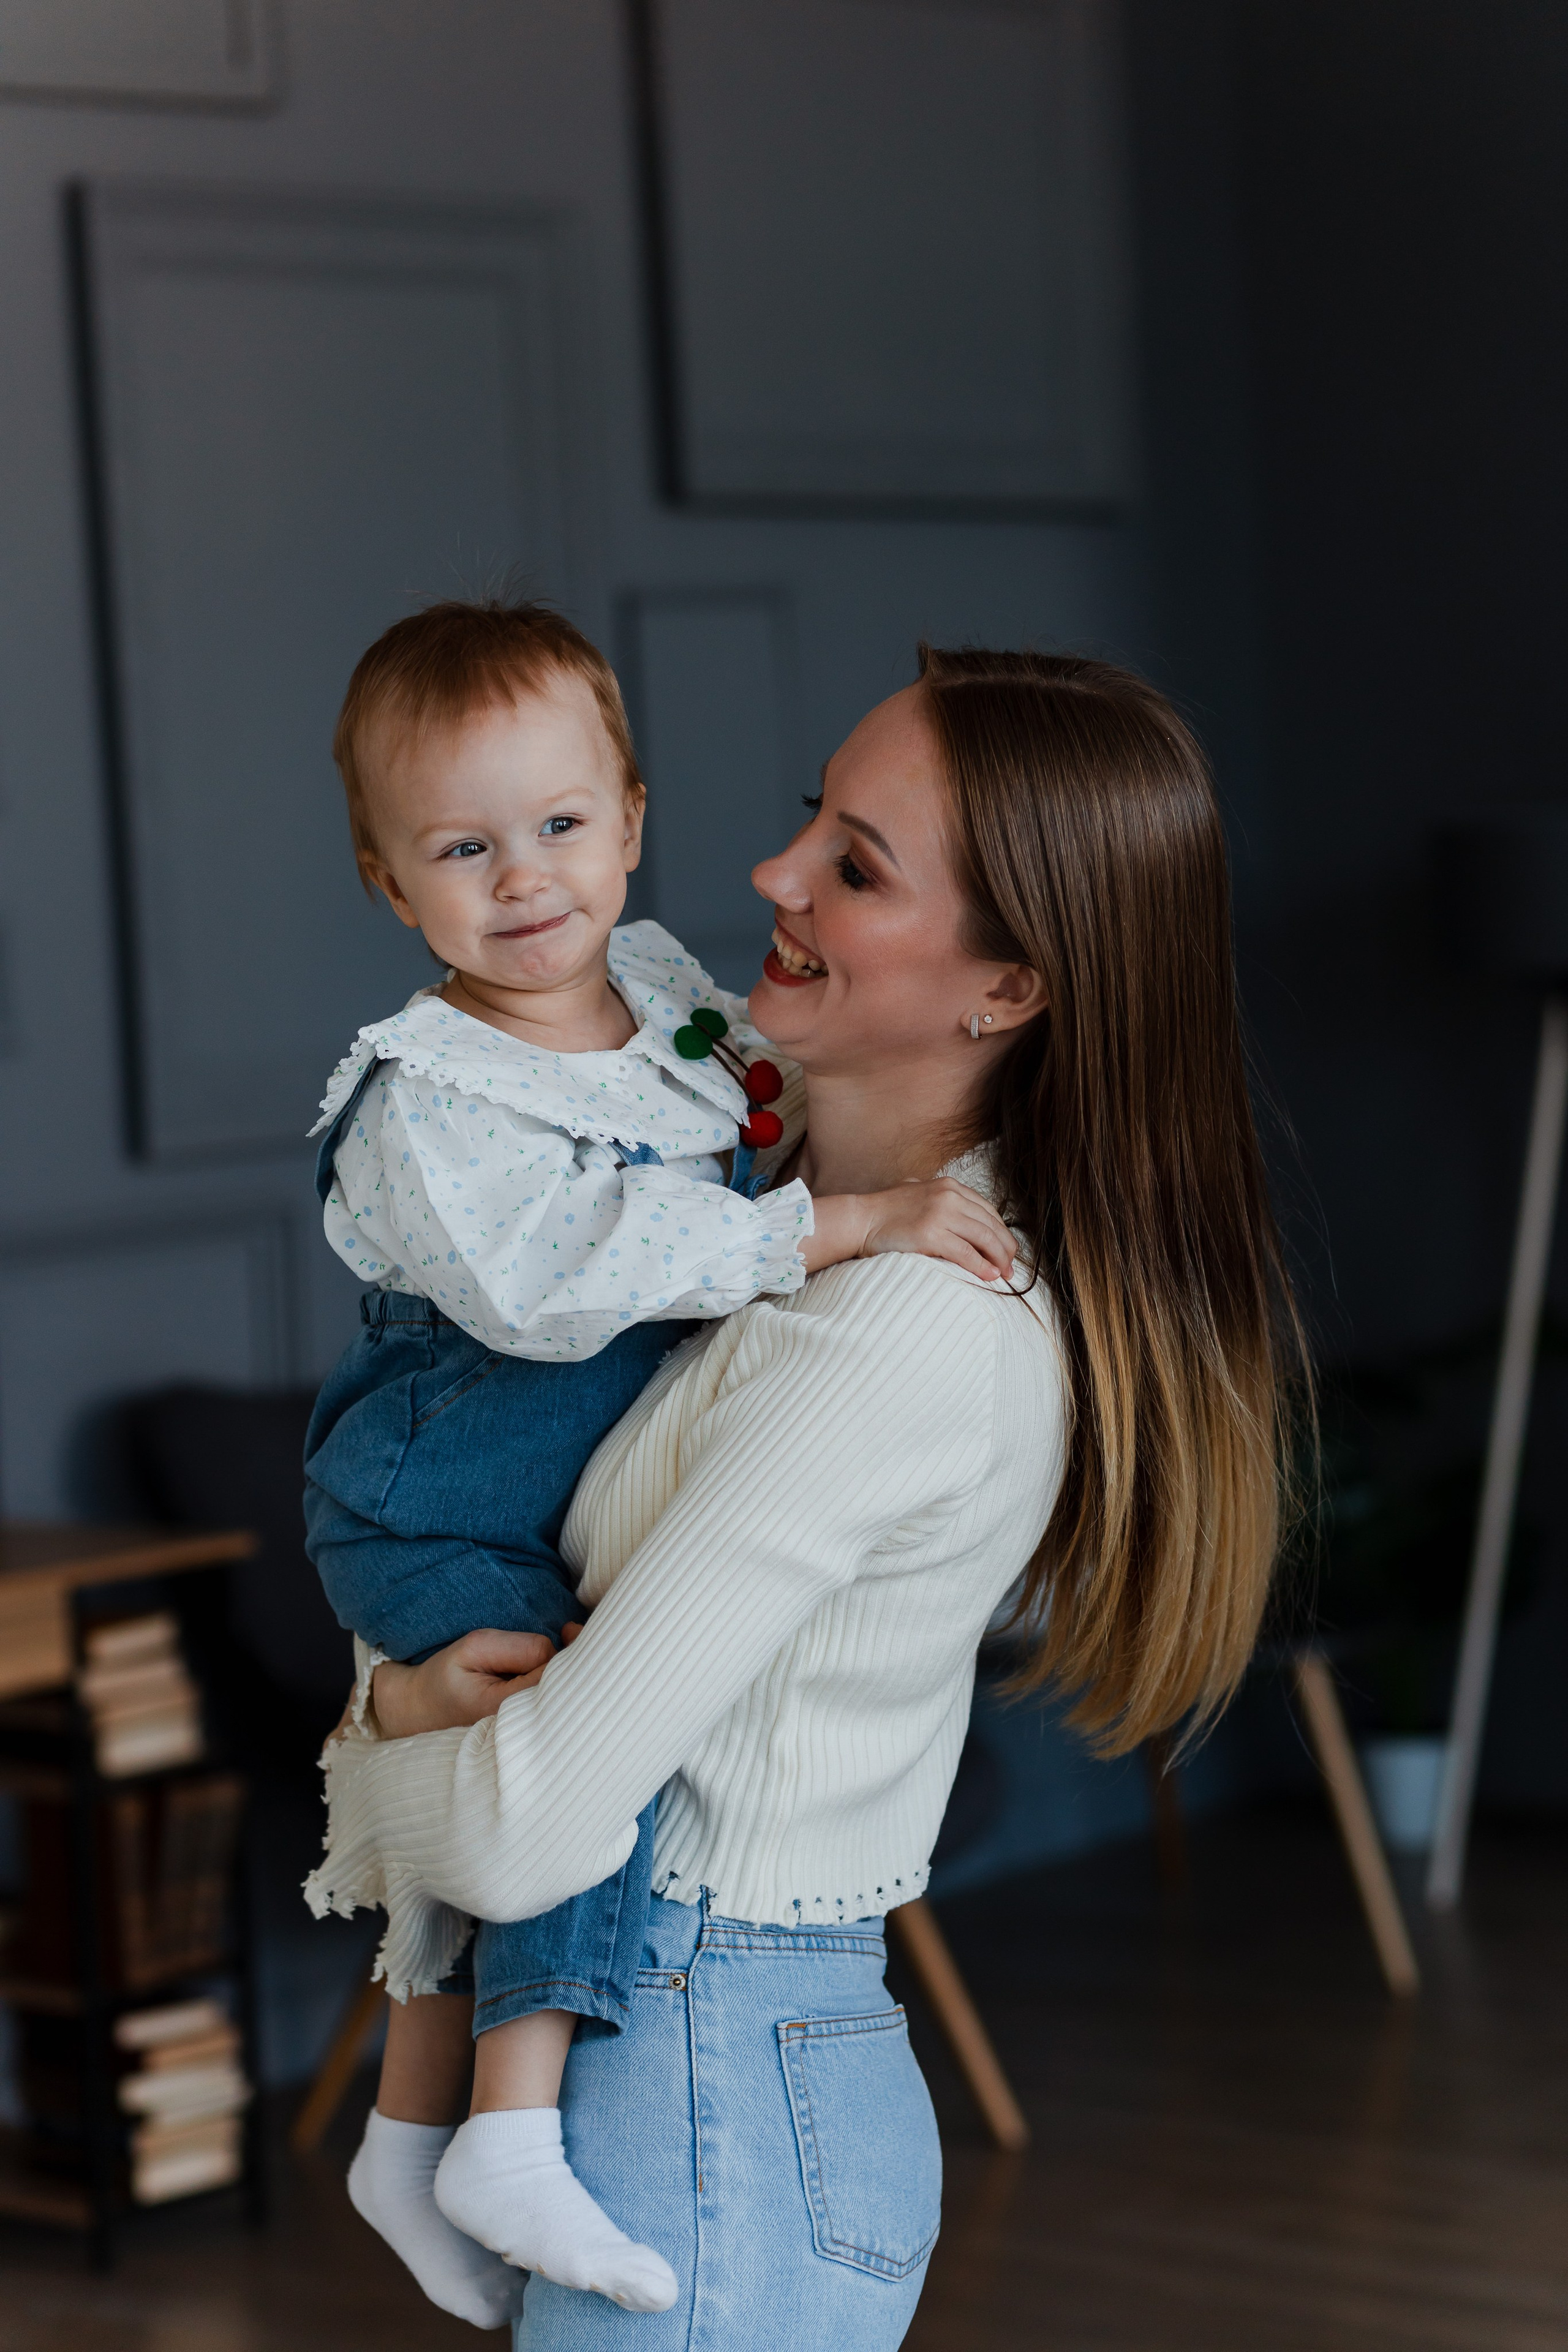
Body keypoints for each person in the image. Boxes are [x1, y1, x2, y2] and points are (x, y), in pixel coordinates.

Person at [307, 645, 1309, 2350]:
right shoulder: (735, 1217)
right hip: (678, 2064)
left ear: (1008, 989)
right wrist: (412, 1700)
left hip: (697, 2079)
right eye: (806, 824)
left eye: (856, 864)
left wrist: (369, 1754)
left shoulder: (901, 1322)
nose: (771, 877)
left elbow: (531, 1820)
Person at [300, 601, 1018, 2324]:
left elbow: (537, 1802)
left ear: (626, 822)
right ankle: (463, 2125)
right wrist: (829, 1219)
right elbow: (562, 1288)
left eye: (561, 827)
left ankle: (464, 2131)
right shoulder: (437, 1090)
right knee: (517, 1680)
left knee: (529, 1712)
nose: (526, 878)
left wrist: (383, 1736)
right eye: (466, 849)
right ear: (396, 888)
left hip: (721, 2047)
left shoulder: (686, 1038)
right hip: (445, 1463)